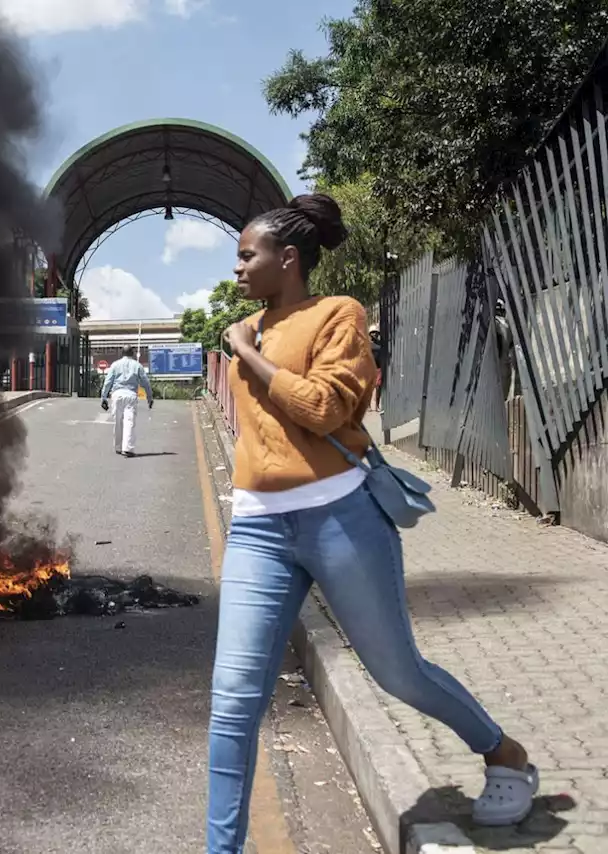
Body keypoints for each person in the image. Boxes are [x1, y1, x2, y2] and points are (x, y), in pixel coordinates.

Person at [206, 194, 536, 853]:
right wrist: (247, 347)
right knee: (232, 703)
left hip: (340, 518)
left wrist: (251, 352)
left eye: (248, 255)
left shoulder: (338, 315)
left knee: (398, 673)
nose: (237, 268)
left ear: (288, 258)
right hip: (258, 529)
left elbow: (326, 408)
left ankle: (504, 755)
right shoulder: (248, 327)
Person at [99, 346, 153, 457]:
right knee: (129, 421)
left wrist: (103, 397)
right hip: (131, 395)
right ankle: (127, 448)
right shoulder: (137, 366)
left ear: (122, 353)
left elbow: (108, 382)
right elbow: (145, 382)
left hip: (117, 395)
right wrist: (149, 397)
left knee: (117, 422)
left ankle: (118, 447)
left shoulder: (115, 365)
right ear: (132, 353)